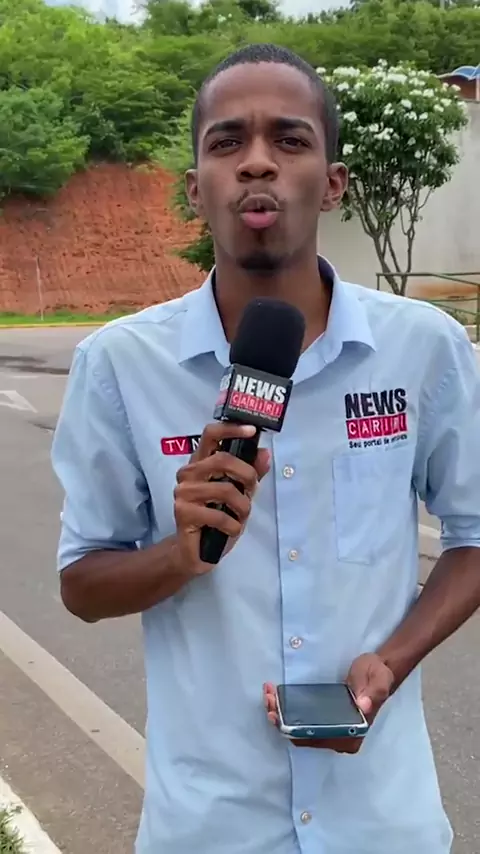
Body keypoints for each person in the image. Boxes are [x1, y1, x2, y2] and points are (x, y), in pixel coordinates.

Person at [51, 43, 480, 854]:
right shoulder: (120, 365)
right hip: (208, 827)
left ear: (335, 182)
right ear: (195, 189)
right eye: (227, 142)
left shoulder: (422, 349)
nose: (257, 163)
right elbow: (82, 585)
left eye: (289, 139)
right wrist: (179, 555)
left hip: (383, 824)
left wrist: (392, 662)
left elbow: (475, 534)